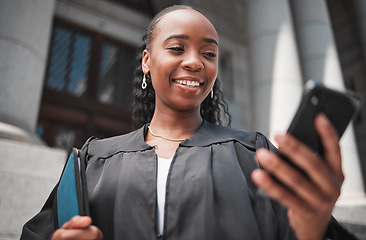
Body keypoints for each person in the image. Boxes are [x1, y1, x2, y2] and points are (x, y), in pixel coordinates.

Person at [21, 5, 356, 240]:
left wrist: (314, 229)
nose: (195, 62)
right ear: (147, 61)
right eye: (178, 48)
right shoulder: (94, 162)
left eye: (209, 54)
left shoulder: (252, 155)